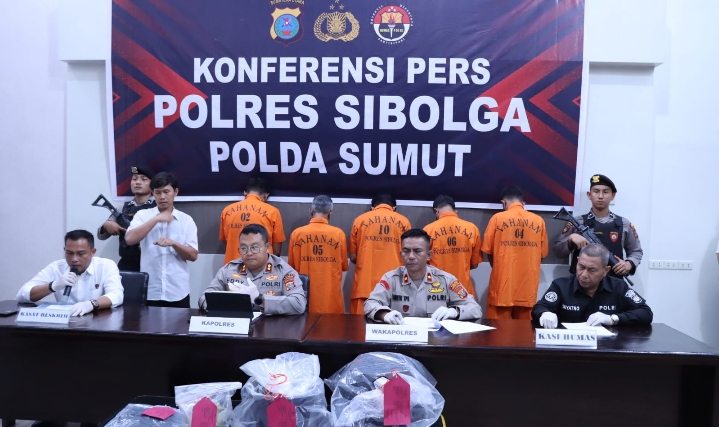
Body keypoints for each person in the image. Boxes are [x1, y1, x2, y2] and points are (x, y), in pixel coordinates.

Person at [364, 229, 482, 324]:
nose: (411, 256)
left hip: (435, 341)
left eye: (417, 251)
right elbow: (370, 304)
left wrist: (454, 311)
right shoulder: (391, 279)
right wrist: (385, 315)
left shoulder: (446, 280)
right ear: (401, 254)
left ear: (429, 255)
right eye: (406, 251)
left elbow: (475, 309)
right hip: (401, 339)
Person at [532, 244, 653, 328]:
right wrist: (544, 313)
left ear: (606, 270)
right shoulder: (560, 286)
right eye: (581, 267)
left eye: (592, 270)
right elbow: (540, 307)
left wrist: (613, 319)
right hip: (570, 348)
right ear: (577, 261)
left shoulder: (618, 287)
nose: (584, 274)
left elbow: (646, 313)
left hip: (607, 349)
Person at [125, 172, 198, 307]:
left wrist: (174, 243)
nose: (162, 197)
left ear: (175, 192)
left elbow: (193, 256)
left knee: (180, 321)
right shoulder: (143, 215)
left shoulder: (186, 220)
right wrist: (156, 219)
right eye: (158, 192)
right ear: (152, 193)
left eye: (166, 192)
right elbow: (129, 239)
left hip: (177, 290)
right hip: (150, 290)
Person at [198, 224, 306, 315]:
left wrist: (260, 299)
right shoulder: (229, 269)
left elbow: (299, 303)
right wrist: (230, 304)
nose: (249, 253)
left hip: (272, 329)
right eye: (244, 248)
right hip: (236, 328)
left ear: (267, 247)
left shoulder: (284, 271)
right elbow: (204, 298)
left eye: (254, 247)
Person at [554, 174, 643, 278]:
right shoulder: (577, 222)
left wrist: (629, 264)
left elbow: (636, 251)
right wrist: (570, 239)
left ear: (613, 195)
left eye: (605, 192)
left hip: (613, 282)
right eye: (596, 191)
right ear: (589, 195)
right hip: (582, 282)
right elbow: (558, 252)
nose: (600, 196)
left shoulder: (623, 224)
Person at [17, 230, 124, 316]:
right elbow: (22, 295)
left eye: (80, 253)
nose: (74, 259)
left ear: (93, 252)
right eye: (69, 253)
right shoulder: (56, 267)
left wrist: (91, 304)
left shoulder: (106, 265)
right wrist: (53, 286)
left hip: (98, 322)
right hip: (65, 324)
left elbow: (117, 295)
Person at [481, 186, 548, 319]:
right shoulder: (539, 221)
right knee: (524, 330)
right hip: (527, 288)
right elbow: (542, 255)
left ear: (504, 202)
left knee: (498, 329)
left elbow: (489, 251)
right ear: (523, 203)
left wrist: (500, 269)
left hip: (502, 288)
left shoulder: (497, 218)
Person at [349, 194, 411, 314]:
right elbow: (409, 255)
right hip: (395, 286)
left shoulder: (359, 220)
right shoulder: (404, 222)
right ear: (394, 208)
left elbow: (353, 256)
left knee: (360, 325)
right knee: (394, 323)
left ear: (372, 207)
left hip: (365, 286)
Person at [288, 195, 349, 313]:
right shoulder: (338, 234)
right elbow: (344, 266)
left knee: (304, 324)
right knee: (332, 324)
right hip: (330, 297)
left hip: (304, 295)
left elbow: (291, 266)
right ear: (330, 212)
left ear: (311, 211)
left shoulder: (297, 233)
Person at [97, 165, 157, 271]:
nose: (138, 182)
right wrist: (106, 225)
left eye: (143, 179)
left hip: (152, 263)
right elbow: (101, 235)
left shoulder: (158, 208)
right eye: (134, 179)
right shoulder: (123, 208)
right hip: (127, 264)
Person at [423, 195, 482, 297]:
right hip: (463, 290)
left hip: (437, 291)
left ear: (436, 211)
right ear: (455, 211)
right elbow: (474, 264)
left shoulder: (428, 230)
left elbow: (424, 264)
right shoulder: (472, 228)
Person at [220, 177, 286, 264]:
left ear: (245, 193)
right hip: (262, 266)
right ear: (266, 195)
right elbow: (277, 250)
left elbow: (225, 242)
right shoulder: (273, 212)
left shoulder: (227, 211)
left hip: (233, 265)